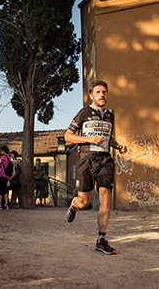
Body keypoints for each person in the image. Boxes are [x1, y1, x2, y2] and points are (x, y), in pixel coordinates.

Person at [64, 80, 128, 255]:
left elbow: (110, 138)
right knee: (84, 201)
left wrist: (118, 146)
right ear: (91, 95)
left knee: (105, 195)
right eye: (98, 92)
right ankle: (74, 205)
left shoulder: (110, 116)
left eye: (104, 92)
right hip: (86, 160)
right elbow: (68, 136)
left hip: (105, 160)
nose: (102, 95)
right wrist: (89, 139)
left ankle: (101, 239)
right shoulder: (84, 113)